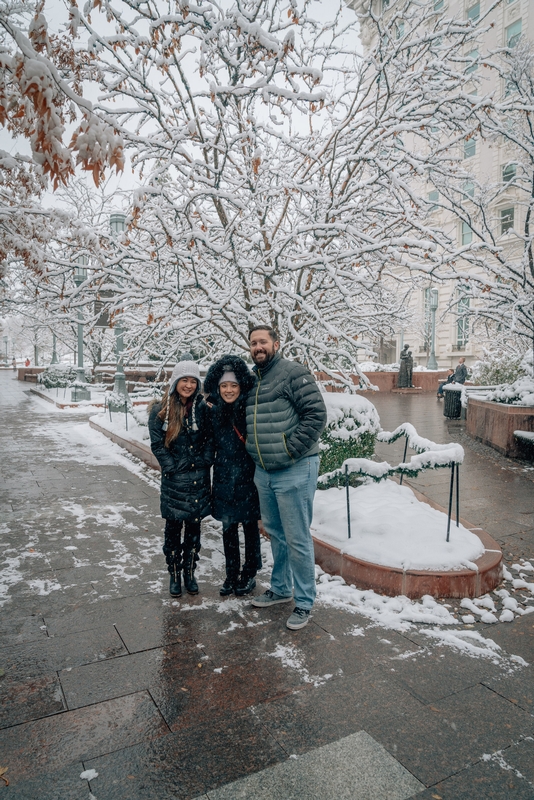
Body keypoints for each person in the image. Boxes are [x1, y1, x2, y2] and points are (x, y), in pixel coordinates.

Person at [246, 326, 327, 630]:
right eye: (253, 343)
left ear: (276, 344)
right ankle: (281, 588)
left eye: (263, 341)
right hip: (264, 472)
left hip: (295, 467)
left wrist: (289, 451)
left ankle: (304, 602)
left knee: (297, 537)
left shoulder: (293, 372)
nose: (258, 346)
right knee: (276, 534)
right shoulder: (252, 379)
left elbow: (316, 414)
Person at [148, 354, 213, 598]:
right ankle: (174, 573)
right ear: (175, 381)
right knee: (173, 530)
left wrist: (201, 461)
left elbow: (209, 440)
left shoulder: (202, 409)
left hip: (197, 480)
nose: (189, 385)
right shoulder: (161, 411)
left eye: (193, 380)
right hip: (175, 482)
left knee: (194, 531)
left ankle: (189, 572)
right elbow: (158, 445)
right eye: (184, 380)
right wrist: (172, 467)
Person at [204, 355, 262, 597]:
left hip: (248, 479)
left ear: (241, 386)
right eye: (224, 386)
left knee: (249, 528)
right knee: (228, 529)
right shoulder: (212, 411)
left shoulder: (250, 408)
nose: (228, 390)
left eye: (233, 385)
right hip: (225, 479)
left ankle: (249, 573)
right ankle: (231, 574)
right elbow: (207, 443)